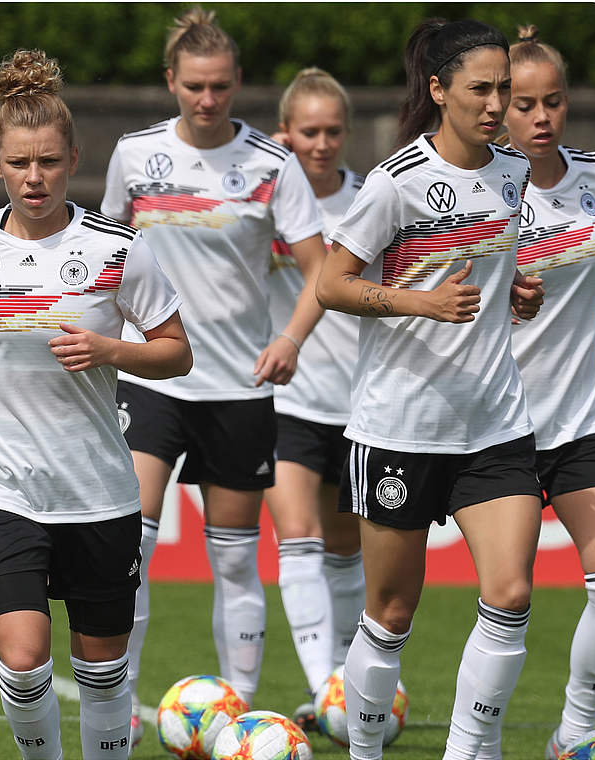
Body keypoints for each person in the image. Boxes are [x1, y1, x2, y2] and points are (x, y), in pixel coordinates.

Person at [0, 49, 191, 760]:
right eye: (20, 162)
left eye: (49, 162)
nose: (34, 177)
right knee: (22, 660)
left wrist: (112, 351)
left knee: (103, 672)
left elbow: (177, 351)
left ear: (73, 157)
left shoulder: (118, 250)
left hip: (96, 489)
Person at [316, 18, 546, 760]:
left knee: (509, 595)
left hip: (495, 424)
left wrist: (518, 290)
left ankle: (466, 749)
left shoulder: (513, 172)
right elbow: (330, 284)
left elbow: (487, 267)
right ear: (439, 89)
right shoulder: (396, 183)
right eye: (481, 89)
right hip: (400, 429)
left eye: (504, 89)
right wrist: (421, 303)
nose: (495, 103)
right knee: (389, 613)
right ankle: (365, 750)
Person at [99, 5, 329, 742]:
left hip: (238, 387)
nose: (208, 100)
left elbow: (323, 270)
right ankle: (121, 710)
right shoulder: (135, 156)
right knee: (127, 549)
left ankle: (239, 713)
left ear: (236, 85)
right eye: (195, 86)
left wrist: (292, 337)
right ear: (171, 81)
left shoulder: (272, 163)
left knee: (233, 561)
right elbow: (106, 258)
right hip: (153, 380)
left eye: (221, 86)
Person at [501, 25, 595, 760]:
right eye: (524, 104)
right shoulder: (474, 189)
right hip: (496, 426)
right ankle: (470, 741)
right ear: (497, 109)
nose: (541, 118)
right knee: (500, 602)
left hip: (583, 419)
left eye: (554, 102)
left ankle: (572, 733)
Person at [266, 66, 368, 725]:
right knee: (295, 536)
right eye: (309, 131)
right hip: (288, 398)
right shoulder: (265, 198)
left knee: (345, 553)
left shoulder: (373, 199)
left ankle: (346, 685)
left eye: (333, 131)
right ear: (286, 134)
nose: (322, 143)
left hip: (360, 402)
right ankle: (328, 687)